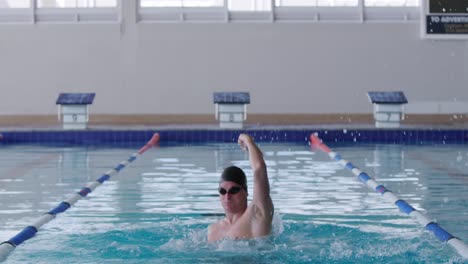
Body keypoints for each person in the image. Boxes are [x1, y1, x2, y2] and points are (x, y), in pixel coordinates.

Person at [208, 133, 274, 242]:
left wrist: (248, 141)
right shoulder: (213, 230)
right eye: (223, 191)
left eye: (234, 190)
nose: (227, 196)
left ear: (246, 191)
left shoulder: (257, 215)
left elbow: (259, 168)